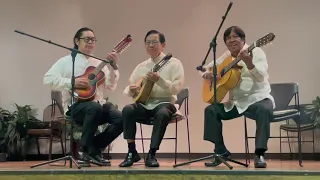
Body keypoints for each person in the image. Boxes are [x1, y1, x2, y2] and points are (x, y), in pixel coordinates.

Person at [43, 27, 123, 167]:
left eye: (93, 40)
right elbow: (48, 79)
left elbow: (110, 86)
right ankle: (83, 151)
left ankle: (94, 148)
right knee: (94, 107)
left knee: (122, 118)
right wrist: (71, 82)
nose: (90, 42)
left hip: (98, 105)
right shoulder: (66, 61)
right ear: (76, 41)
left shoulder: (99, 63)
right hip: (76, 108)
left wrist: (114, 68)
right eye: (87, 39)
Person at [199, 26, 275, 168]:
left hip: (258, 98)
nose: (232, 40)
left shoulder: (256, 51)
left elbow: (261, 78)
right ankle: (221, 152)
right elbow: (204, 68)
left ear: (243, 39)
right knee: (211, 110)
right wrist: (207, 75)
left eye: (235, 37)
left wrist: (248, 62)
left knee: (264, 110)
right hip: (237, 102)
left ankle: (259, 154)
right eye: (228, 38)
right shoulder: (227, 56)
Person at [119, 30, 185, 167]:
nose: (150, 45)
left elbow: (176, 89)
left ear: (163, 45)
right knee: (127, 110)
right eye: (148, 43)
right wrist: (132, 89)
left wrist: (159, 80)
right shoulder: (141, 66)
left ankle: (152, 153)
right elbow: (132, 86)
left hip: (165, 102)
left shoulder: (174, 63)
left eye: (154, 42)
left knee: (162, 113)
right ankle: (132, 152)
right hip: (146, 104)